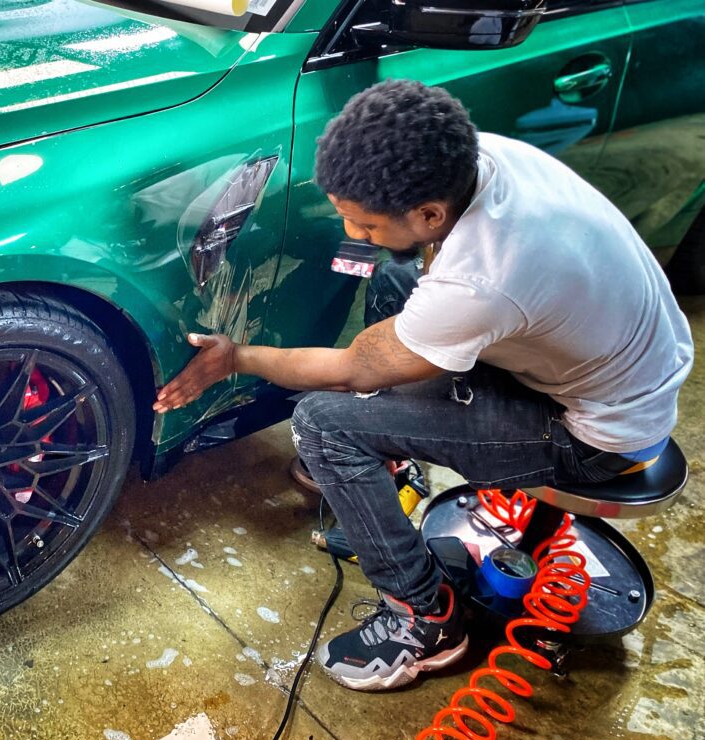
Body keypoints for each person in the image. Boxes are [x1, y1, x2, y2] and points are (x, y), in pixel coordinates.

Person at [151, 79, 694, 692]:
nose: (353, 233)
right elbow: (410, 305)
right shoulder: (481, 160)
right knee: (396, 282)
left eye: (364, 222)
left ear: (430, 213)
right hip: (619, 364)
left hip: (599, 436)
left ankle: (426, 619)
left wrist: (237, 358)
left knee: (323, 427)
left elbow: (357, 366)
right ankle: (380, 477)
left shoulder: (484, 274)